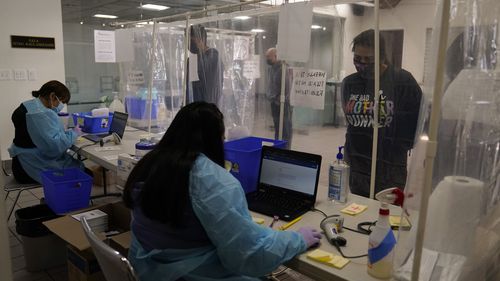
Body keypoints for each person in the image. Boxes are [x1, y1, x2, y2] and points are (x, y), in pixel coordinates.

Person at [123, 102, 321, 281]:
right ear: (215, 140)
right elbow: (247, 255)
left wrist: (258, 232)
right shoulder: (212, 180)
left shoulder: (151, 163)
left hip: (150, 271)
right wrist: (297, 240)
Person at [341, 30, 422, 197]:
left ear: (382, 57)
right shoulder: (350, 83)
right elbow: (350, 119)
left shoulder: (402, 81)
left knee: (385, 215)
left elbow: (418, 120)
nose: (362, 64)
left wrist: (399, 145)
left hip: (389, 168)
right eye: (357, 59)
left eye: (368, 60)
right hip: (357, 165)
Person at [8, 80, 83, 184]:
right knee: (81, 171)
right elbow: (54, 147)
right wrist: (73, 133)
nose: (61, 106)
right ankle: (65, 199)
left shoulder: (29, 105)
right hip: (31, 167)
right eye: (61, 101)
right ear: (52, 96)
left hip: (21, 163)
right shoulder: (39, 114)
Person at [189, 25, 223, 106]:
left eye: (191, 41)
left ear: (200, 40)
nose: (190, 45)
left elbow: (213, 85)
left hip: (207, 103)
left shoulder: (213, 56)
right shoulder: (197, 58)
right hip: (197, 102)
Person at [265, 47, 293, 149]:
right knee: (277, 128)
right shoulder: (272, 68)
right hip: (274, 103)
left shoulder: (284, 68)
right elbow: (272, 85)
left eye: (269, 57)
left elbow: (287, 88)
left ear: (276, 56)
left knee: (285, 129)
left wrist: (279, 100)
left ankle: (285, 150)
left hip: (282, 104)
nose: (267, 59)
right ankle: (278, 148)